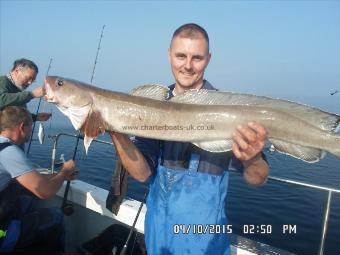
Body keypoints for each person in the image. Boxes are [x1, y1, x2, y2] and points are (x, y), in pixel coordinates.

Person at [109, 23, 270, 255]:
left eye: (197, 58)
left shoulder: (228, 112)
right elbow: (142, 173)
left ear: (208, 59)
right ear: (169, 55)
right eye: (180, 56)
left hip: (207, 243)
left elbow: (258, 179)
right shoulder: (152, 108)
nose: (187, 65)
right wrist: (116, 132)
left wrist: (252, 158)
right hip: (159, 238)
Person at [0, 106, 78, 254]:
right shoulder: (9, 151)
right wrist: (65, 170)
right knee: (56, 216)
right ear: (22, 127)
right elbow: (45, 192)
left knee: (28, 201)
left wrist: (60, 175)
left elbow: (33, 178)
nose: (32, 131)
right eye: (31, 127)